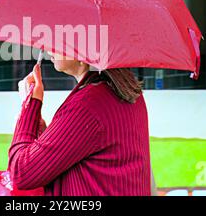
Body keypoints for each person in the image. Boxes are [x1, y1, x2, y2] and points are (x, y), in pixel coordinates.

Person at [8, 52, 153, 196]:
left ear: (83, 55)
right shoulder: (129, 92)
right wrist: (49, 136)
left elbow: (21, 173)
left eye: (58, 40)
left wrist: (30, 105)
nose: (48, 48)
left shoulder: (88, 105)